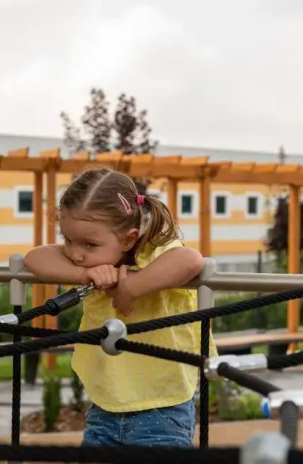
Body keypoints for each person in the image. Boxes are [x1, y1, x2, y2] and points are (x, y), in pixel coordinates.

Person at [24, 167, 217, 448]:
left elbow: (191, 260)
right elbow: (34, 258)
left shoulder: (154, 253)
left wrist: (132, 287)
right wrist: (84, 275)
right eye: (68, 239)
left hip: (162, 407)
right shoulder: (90, 262)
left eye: (89, 244)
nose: (76, 254)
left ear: (128, 238)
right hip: (105, 406)